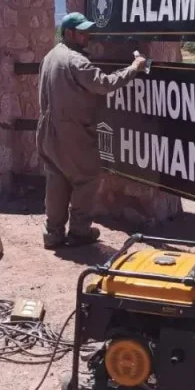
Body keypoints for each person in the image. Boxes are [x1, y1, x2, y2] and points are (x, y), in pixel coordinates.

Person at [37, 12, 147, 248]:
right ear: (68, 33)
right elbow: (104, 84)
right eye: (82, 32)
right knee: (86, 178)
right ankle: (79, 231)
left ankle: (53, 233)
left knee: (57, 178)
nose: (86, 36)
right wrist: (134, 68)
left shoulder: (50, 56)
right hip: (73, 132)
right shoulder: (76, 61)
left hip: (48, 131)